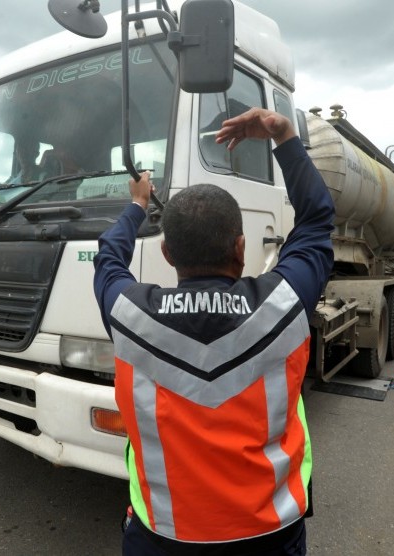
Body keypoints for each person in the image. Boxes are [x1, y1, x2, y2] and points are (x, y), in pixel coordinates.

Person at [93, 108, 335, 554]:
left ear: (166, 254)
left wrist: (137, 205)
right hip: (270, 536)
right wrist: (284, 137)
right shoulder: (283, 304)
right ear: (241, 248)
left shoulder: (129, 315)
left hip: (162, 537)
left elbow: (108, 256)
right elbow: (318, 220)